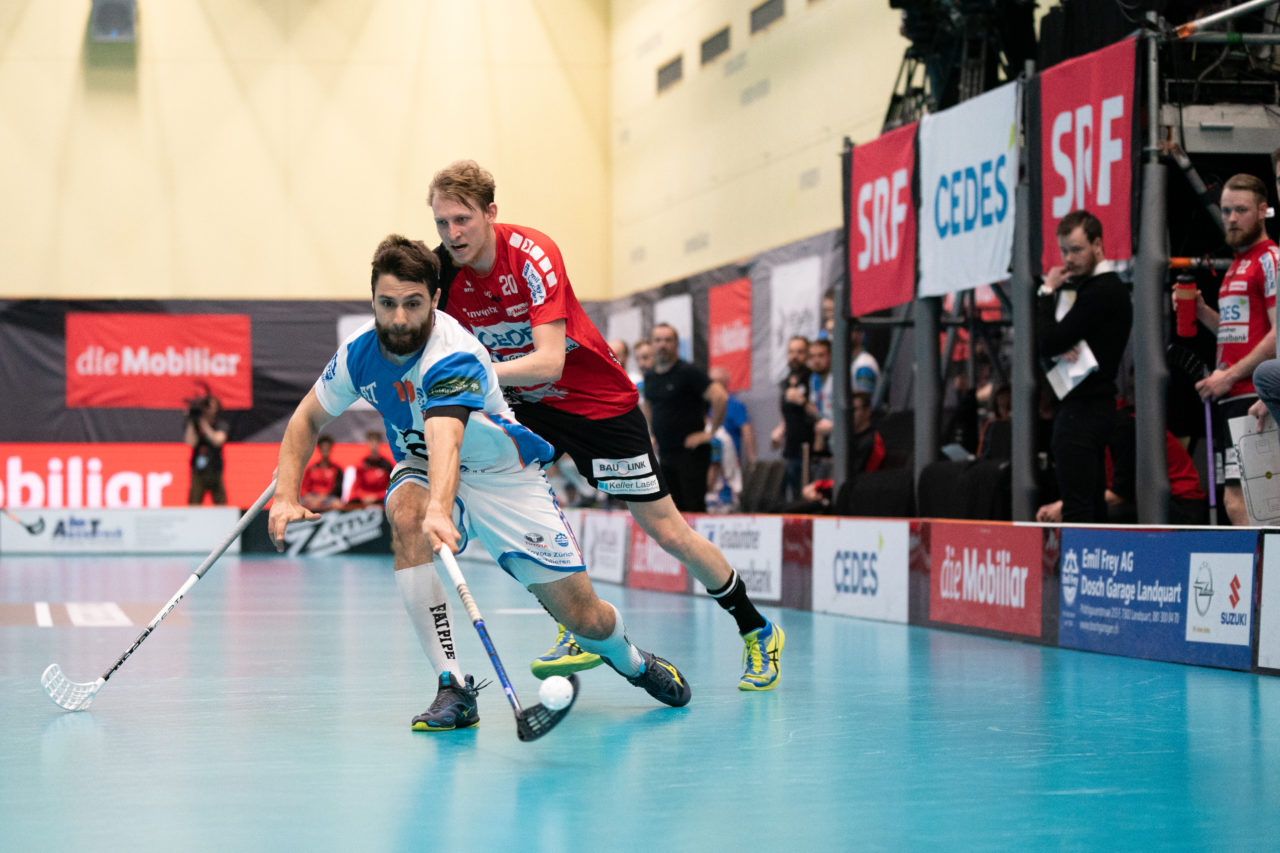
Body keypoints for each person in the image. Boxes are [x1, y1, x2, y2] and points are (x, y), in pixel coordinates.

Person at [267, 235, 691, 732]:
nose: (399, 319)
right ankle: (452, 687)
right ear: (373, 301)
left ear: (436, 299)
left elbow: (446, 435)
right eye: (387, 304)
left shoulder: (455, 352)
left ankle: (632, 661)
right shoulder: (360, 352)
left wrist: (442, 510)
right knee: (405, 513)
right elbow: (306, 419)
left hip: (499, 474)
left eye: (413, 303)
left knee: (584, 618)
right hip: (421, 464)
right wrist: (285, 494)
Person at [428, 159, 784, 691]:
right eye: (441, 222)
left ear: (490, 213)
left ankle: (756, 630)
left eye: (463, 220)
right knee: (507, 506)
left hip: (595, 403)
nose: (452, 234)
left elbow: (549, 362)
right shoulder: (442, 275)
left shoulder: (531, 254)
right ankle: (576, 621)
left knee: (669, 532)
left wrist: (469, 374)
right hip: (524, 408)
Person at [1179, 174, 1277, 525]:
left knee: (1248, 502)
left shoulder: (1270, 260)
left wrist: (1229, 376)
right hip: (1231, 395)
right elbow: (1238, 333)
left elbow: (1278, 335)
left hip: (1253, 396)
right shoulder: (1238, 263)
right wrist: (1203, 312)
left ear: (1263, 210)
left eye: (1241, 210)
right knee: (1237, 500)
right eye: (1226, 211)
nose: (1232, 219)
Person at [1037, 209, 1132, 523]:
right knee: (1090, 506)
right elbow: (1054, 343)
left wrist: (1047, 291)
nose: (1068, 259)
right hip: (1090, 405)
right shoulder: (1096, 291)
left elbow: (1047, 341)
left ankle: (1077, 572)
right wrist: (1059, 342)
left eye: (1076, 249)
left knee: (1079, 509)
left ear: (1097, 245)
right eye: (1063, 250)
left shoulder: (1100, 291)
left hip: (1083, 410)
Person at [641, 323, 728, 513]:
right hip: (665, 453)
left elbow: (720, 396)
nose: (662, 344)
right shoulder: (650, 376)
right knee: (672, 510)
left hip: (691, 453)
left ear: (676, 344)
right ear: (652, 345)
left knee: (693, 507)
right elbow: (648, 405)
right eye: (658, 340)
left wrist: (709, 433)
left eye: (667, 340)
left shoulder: (687, 372)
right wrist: (651, 433)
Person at [770, 335, 813, 503]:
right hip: (790, 449)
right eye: (791, 352)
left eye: (800, 352)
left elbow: (821, 414)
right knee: (789, 498)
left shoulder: (812, 378)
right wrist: (781, 429)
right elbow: (787, 415)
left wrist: (802, 401)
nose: (795, 356)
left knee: (806, 497)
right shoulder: (786, 382)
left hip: (808, 450)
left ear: (807, 354)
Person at [184, 393, 228, 505]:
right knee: (194, 503)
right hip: (198, 472)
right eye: (206, 406)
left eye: (211, 406)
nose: (209, 409)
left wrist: (204, 424)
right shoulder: (195, 424)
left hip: (215, 470)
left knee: (221, 505)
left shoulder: (220, 423)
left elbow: (218, 440)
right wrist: (192, 420)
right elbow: (190, 442)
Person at [709, 365, 756, 467]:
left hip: (728, 464)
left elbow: (747, 432)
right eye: (710, 381)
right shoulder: (705, 406)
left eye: (717, 382)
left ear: (725, 383)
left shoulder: (735, 405)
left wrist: (752, 459)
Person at [806, 338, 834, 480]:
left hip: (840, 444)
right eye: (812, 356)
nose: (816, 360)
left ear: (830, 355)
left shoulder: (838, 379)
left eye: (821, 355)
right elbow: (815, 411)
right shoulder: (814, 379)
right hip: (824, 446)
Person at [345, 430, 394, 507]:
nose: (373, 445)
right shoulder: (361, 464)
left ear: (380, 443)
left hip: (381, 499)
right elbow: (357, 487)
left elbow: (391, 487)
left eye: (376, 442)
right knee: (351, 503)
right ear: (367, 443)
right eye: (371, 442)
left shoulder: (387, 465)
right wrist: (364, 497)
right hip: (364, 499)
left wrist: (376, 497)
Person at [299, 434, 345, 511]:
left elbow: (336, 489)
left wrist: (320, 499)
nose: (325, 452)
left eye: (327, 449)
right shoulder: (311, 468)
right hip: (310, 498)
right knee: (295, 504)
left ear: (331, 449)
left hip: (327, 498)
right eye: (323, 449)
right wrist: (309, 498)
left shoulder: (336, 469)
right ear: (319, 449)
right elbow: (304, 488)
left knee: (338, 504)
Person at [849, 320, 882, 399]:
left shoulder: (864, 363)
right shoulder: (854, 361)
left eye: (853, 331)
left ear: (860, 335)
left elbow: (863, 399)